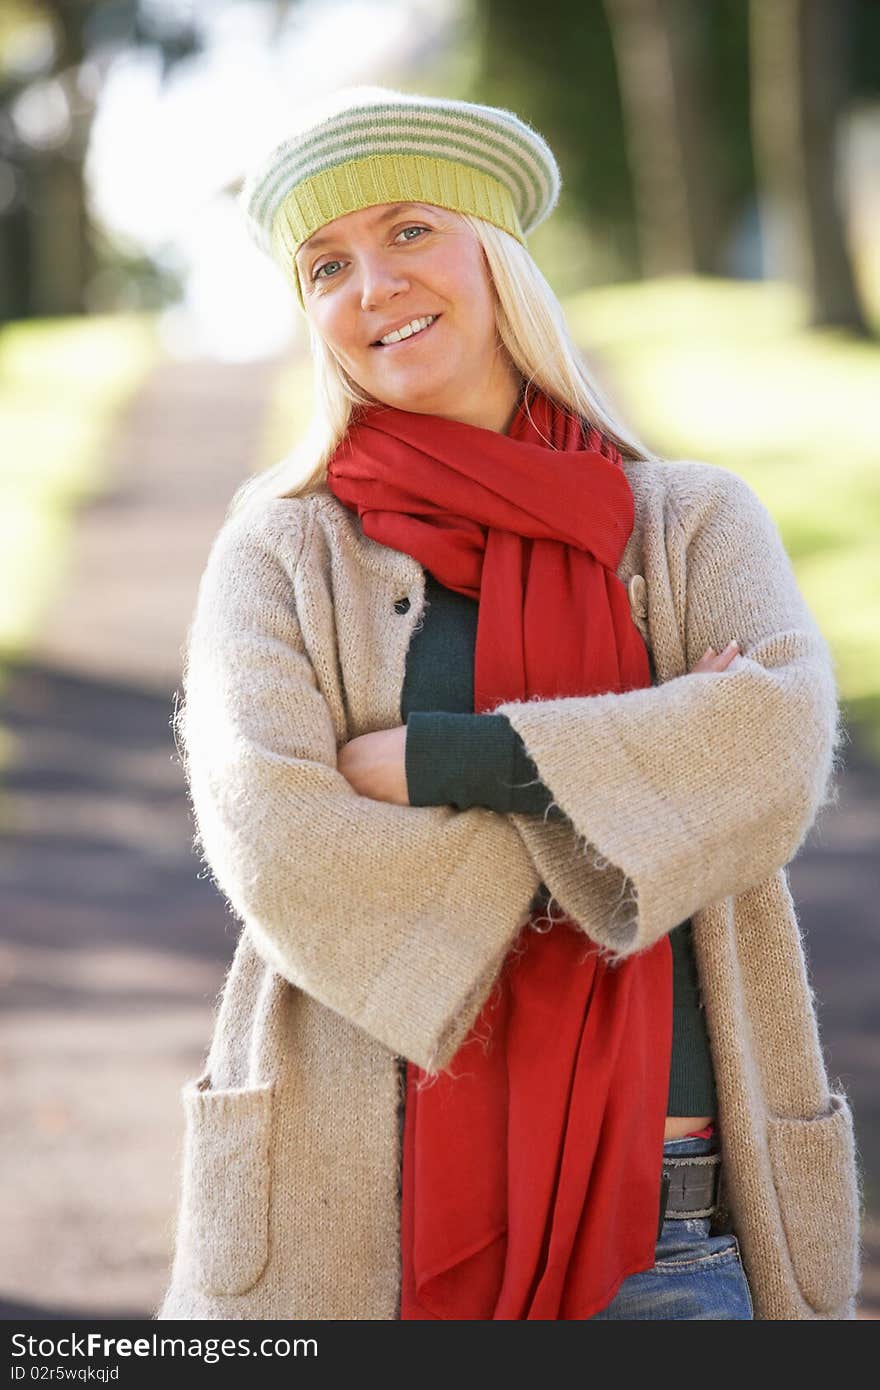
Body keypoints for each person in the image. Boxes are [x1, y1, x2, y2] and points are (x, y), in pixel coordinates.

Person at [155, 86, 860, 1321]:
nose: (370, 283)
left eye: (410, 231)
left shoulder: (691, 522)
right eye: (326, 264)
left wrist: (447, 760)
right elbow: (281, 839)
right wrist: (641, 792)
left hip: (673, 1227)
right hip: (350, 1231)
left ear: (501, 256)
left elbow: (778, 745)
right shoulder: (274, 554)